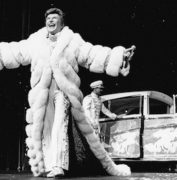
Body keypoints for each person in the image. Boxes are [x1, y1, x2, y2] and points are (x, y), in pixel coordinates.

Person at [0, 7, 135, 177]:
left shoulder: (72, 40)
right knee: (46, 129)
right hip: (42, 94)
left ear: (61, 22)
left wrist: (118, 56)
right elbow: (15, 52)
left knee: (59, 125)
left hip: (63, 91)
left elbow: (92, 54)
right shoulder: (35, 40)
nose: (50, 20)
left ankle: (58, 166)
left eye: (54, 18)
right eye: (48, 18)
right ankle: (49, 165)